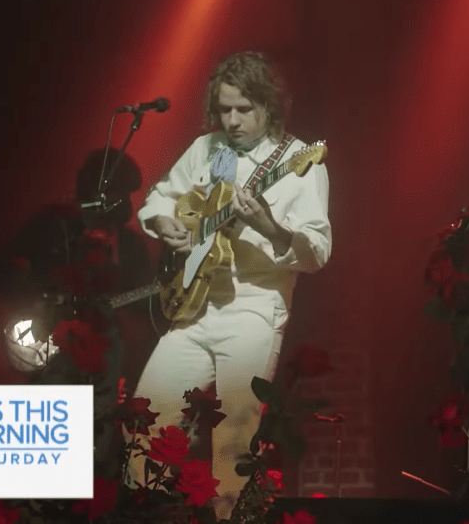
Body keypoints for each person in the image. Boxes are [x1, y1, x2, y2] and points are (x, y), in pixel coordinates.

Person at [129, 51, 331, 518]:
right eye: (225, 110)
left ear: (269, 105)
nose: (233, 120)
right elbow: (161, 198)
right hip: (192, 309)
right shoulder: (206, 148)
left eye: (245, 109)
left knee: (233, 444)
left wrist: (272, 228)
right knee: (144, 423)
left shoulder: (302, 161)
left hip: (254, 311)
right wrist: (164, 223)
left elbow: (317, 251)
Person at [0, 147, 155, 471]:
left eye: (129, 194)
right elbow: (0, 274)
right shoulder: (54, 225)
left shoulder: (130, 245)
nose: (127, 205)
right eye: (120, 191)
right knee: (46, 427)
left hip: (104, 352)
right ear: (97, 187)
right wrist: (35, 284)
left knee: (97, 434)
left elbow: (149, 306)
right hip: (52, 337)